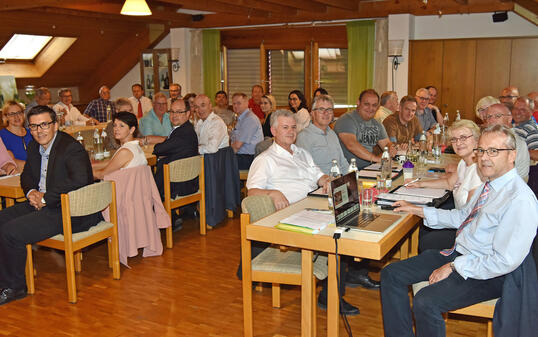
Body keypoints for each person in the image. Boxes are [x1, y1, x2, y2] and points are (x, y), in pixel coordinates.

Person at [381, 125, 538, 337]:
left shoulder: (519, 199)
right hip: (461, 254)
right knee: (391, 274)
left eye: (493, 151)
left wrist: (454, 267)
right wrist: (418, 210)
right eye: (481, 150)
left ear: (512, 155)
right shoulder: (489, 184)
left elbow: (504, 260)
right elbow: (463, 217)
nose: (484, 157)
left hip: (489, 272)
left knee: (426, 301)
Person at [246, 110, 365, 315]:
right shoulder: (266, 159)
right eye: (285, 127)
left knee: (350, 219)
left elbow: (318, 175)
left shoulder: (301, 152)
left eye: (293, 127)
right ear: (273, 130)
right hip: (289, 218)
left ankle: (335, 289)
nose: (291, 132)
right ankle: (331, 297)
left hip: (311, 208)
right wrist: (272, 192)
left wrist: (326, 180)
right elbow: (251, 192)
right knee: (339, 238)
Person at [0, 105, 102, 306]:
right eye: (34, 126)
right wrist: (31, 193)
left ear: (55, 125)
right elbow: (27, 175)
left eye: (44, 124)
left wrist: (46, 198)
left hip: (69, 209)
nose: (40, 131)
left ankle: (14, 287)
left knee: (11, 231)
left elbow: (80, 179)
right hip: (42, 203)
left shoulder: (70, 147)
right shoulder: (33, 147)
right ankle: (4, 279)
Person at [409, 119, 483, 252]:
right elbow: (449, 183)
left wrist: (417, 209)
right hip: (460, 220)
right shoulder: (464, 162)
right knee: (424, 230)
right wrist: (419, 184)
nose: (458, 143)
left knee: (427, 239)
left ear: (477, 140)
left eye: (463, 138)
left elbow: (470, 217)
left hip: (471, 232)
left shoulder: (479, 171)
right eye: (454, 139)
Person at [334, 89, 395, 169]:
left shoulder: (376, 124)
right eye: (366, 104)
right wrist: (376, 159)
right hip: (349, 172)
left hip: (369, 169)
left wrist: (391, 148)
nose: (370, 108)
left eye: (374, 105)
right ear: (358, 103)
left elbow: (386, 144)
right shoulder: (346, 120)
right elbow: (351, 145)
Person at [153, 98, 198, 201]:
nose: (174, 115)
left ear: (188, 114)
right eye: (172, 111)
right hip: (185, 181)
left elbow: (158, 149)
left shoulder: (183, 133)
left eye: (179, 112)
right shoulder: (185, 129)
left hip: (177, 185)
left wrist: (161, 149)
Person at [296, 94, 348, 174]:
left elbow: (343, 162)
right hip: (321, 184)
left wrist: (353, 180)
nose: (326, 113)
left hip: (339, 182)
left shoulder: (332, 134)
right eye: (321, 109)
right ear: (312, 113)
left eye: (329, 109)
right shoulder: (304, 137)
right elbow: (304, 170)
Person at [93, 112, 147, 180]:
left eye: (121, 126)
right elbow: (112, 163)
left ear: (132, 130)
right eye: (115, 125)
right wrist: (91, 166)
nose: (116, 129)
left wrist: (83, 173)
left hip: (123, 189)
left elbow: (101, 175)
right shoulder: (135, 146)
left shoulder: (125, 151)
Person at [485, 103, 530, 181]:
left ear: (509, 119)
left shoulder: (516, 142)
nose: (491, 120)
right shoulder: (486, 139)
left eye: (497, 116)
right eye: (489, 117)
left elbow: (517, 175)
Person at [230, 93, 263, 170]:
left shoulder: (249, 119)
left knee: (219, 163)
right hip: (242, 156)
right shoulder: (242, 118)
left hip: (248, 159)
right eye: (234, 103)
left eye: (238, 103)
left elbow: (237, 146)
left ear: (246, 103)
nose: (235, 106)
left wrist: (224, 154)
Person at [0, 101, 32, 168]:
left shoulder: (32, 132)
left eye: (19, 112)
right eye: (12, 114)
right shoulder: (2, 136)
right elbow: (11, 162)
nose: (16, 116)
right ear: (6, 117)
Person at [512, 96, 538, 161]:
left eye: (523, 110)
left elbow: (536, 155)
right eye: (515, 108)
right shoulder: (513, 124)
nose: (517, 112)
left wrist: (513, 151)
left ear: (531, 112)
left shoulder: (531, 130)